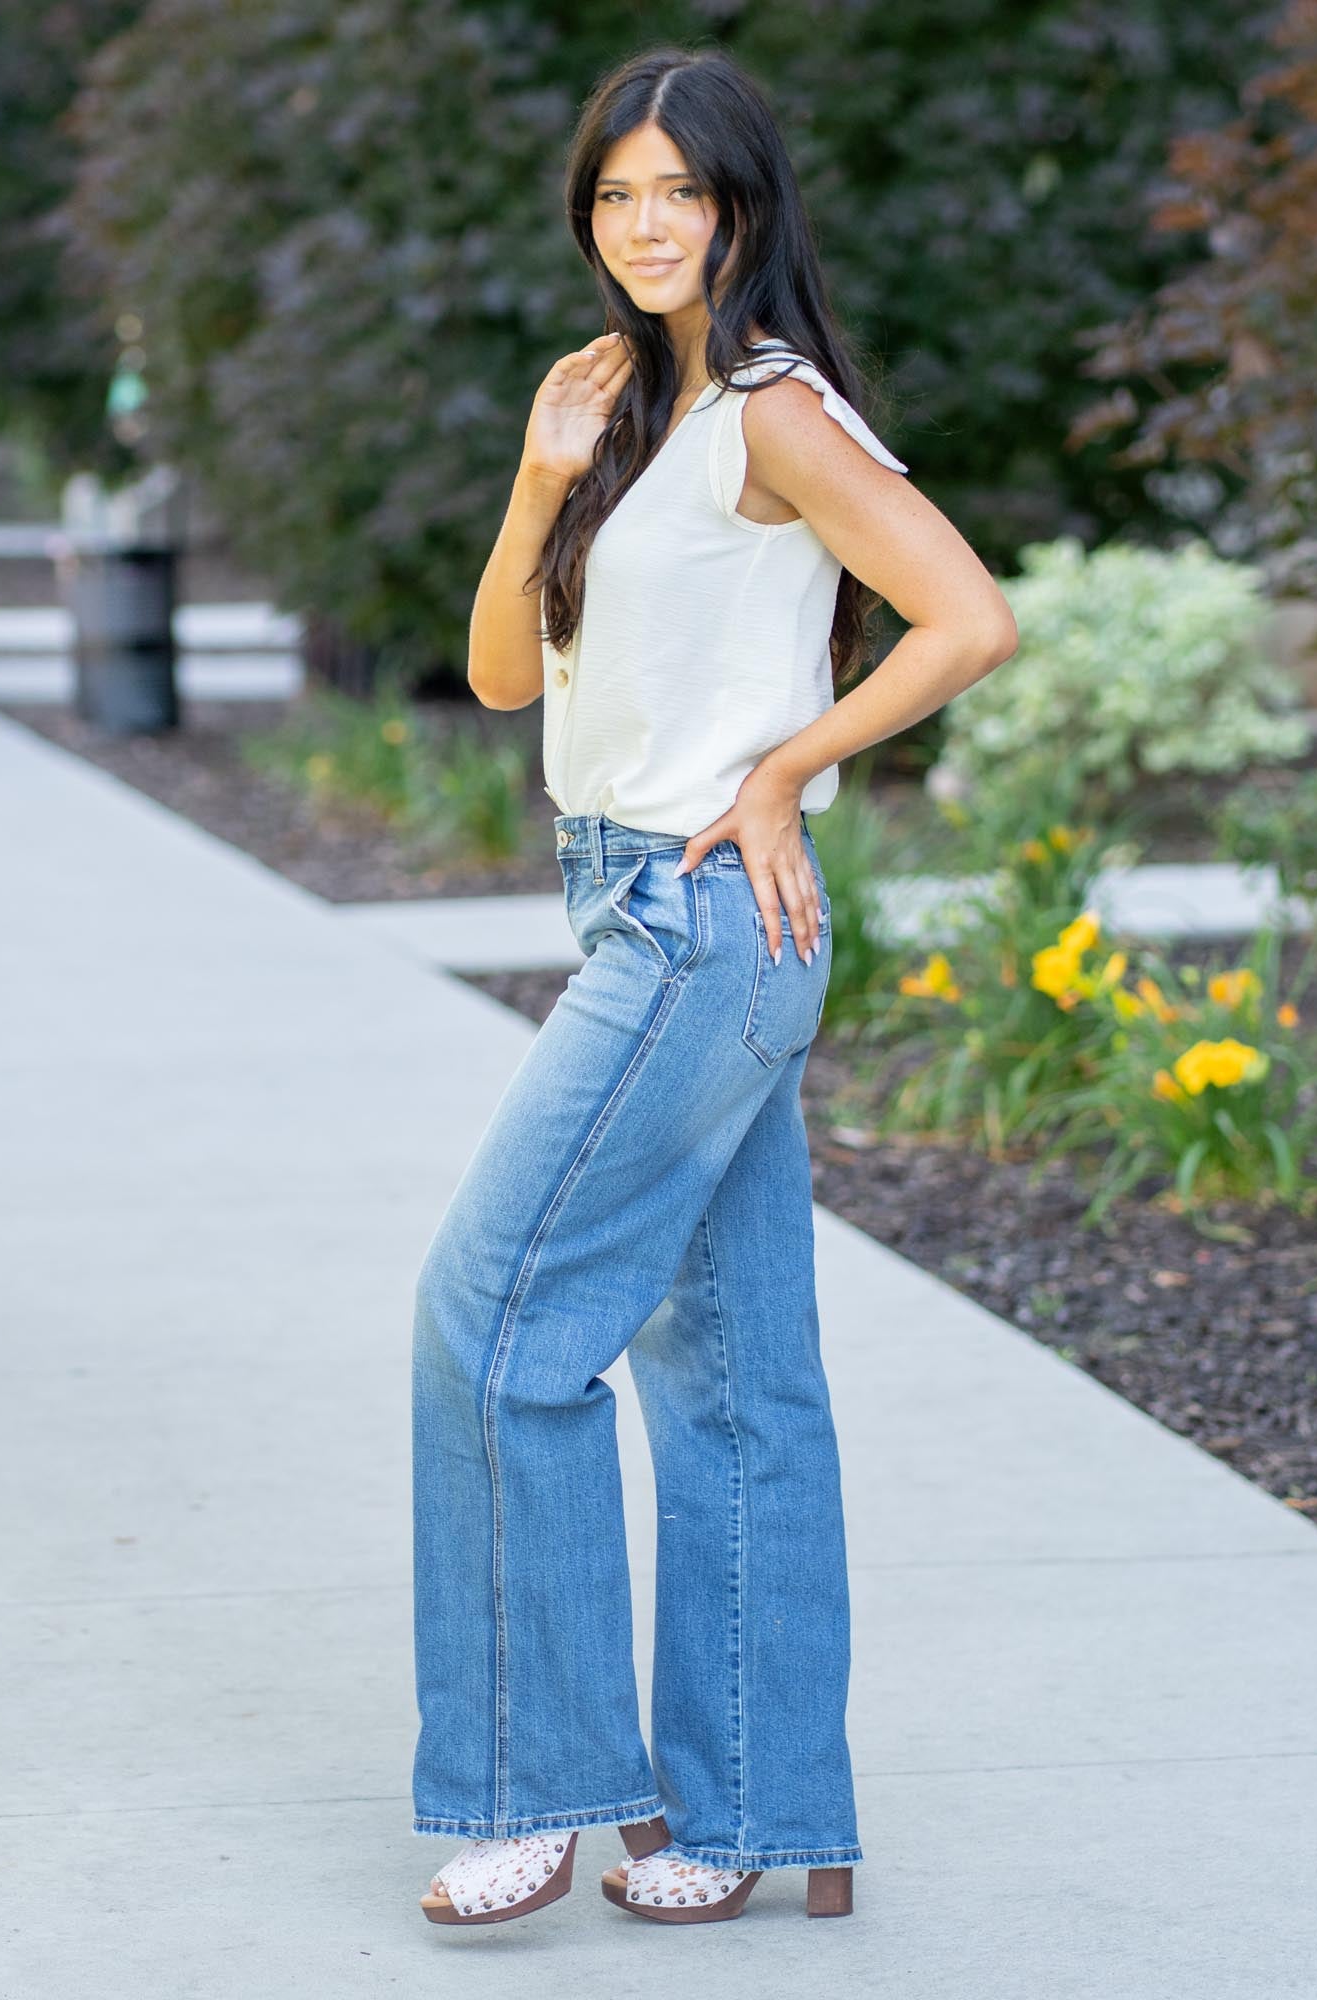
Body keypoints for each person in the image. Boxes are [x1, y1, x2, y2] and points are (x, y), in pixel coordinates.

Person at [411, 43, 1019, 1929]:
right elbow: (500, 675)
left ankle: (532, 1786)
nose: (647, 222)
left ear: (745, 206)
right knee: (740, 1383)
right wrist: (537, 482)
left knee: (494, 1322)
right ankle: (757, 1810)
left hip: (698, 918)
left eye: (682, 190)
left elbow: (969, 617)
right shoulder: (620, 406)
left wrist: (780, 773)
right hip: (646, 910)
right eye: (618, 193)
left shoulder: (773, 410)